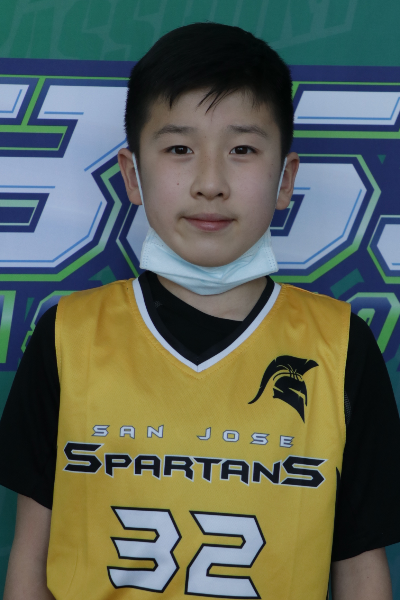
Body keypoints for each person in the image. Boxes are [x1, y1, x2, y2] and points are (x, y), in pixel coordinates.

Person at [1, 22, 399, 600]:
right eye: (179, 149)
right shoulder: (69, 334)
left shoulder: (339, 346)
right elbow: (30, 558)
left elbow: (361, 569)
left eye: (242, 150)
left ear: (285, 179)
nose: (210, 183)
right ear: (132, 174)